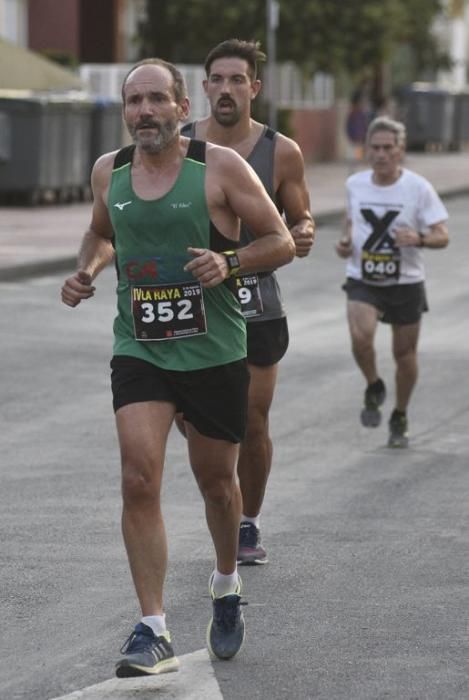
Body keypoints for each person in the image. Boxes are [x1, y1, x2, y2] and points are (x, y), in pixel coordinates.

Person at [61, 58, 295, 676]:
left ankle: (225, 584)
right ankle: (153, 627)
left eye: (156, 99)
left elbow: (282, 240)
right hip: (141, 346)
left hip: (214, 350)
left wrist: (231, 263)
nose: (143, 111)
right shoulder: (107, 171)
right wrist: (87, 269)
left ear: (181, 106)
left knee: (217, 484)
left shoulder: (218, 167)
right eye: (133, 100)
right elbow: (100, 232)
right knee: (139, 477)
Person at [178, 39, 315, 565]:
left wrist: (301, 231)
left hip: (257, 304)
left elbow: (299, 216)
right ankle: (223, 499)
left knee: (252, 419)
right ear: (205, 86)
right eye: (219, 79)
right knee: (194, 421)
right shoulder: (181, 142)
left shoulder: (281, 151)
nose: (229, 89)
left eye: (239, 80)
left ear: (254, 88)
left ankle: (249, 523)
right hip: (191, 303)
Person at [335, 116, 449, 448]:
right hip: (363, 277)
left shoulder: (418, 188)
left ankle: (400, 412)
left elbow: (443, 235)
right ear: (367, 150)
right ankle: (373, 384)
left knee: (404, 354)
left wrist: (420, 238)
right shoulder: (355, 184)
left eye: (388, 148)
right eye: (375, 148)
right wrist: (344, 242)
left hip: (406, 282)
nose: (381, 154)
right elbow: (350, 223)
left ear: (400, 150)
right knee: (360, 337)